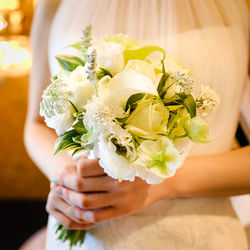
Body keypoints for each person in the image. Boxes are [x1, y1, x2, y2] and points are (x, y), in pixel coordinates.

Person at [24, 0, 250, 249]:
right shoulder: (53, 4)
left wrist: (162, 184)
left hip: (199, 235)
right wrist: (69, 181)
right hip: (88, 231)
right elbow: (36, 124)